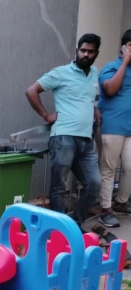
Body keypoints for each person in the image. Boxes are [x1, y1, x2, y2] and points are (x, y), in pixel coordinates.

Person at [25, 34, 102, 235]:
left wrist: (94, 109)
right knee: (58, 185)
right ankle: (60, 229)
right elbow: (31, 91)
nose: (86, 54)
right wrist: (45, 115)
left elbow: (88, 97)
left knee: (94, 185)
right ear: (77, 50)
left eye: (90, 51)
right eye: (83, 50)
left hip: (86, 140)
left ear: (96, 54)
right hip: (63, 138)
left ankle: (73, 224)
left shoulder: (94, 73)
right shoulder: (61, 73)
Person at [97, 29, 131, 228]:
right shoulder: (111, 67)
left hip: (130, 129)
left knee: (130, 167)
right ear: (125, 47)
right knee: (108, 169)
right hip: (112, 127)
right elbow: (109, 90)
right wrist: (125, 62)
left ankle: (121, 201)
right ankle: (105, 208)